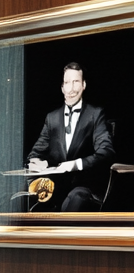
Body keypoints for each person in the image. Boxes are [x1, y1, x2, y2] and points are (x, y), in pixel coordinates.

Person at [26, 62, 114, 211]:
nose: (71, 89)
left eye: (76, 82)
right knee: (26, 196)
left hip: (84, 188)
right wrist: (38, 163)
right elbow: (34, 154)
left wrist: (74, 164)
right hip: (56, 187)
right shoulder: (51, 118)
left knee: (76, 198)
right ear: (62, 87)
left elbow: (106, 152)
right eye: (67, 83)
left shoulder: (96, 114)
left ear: (84, 85)